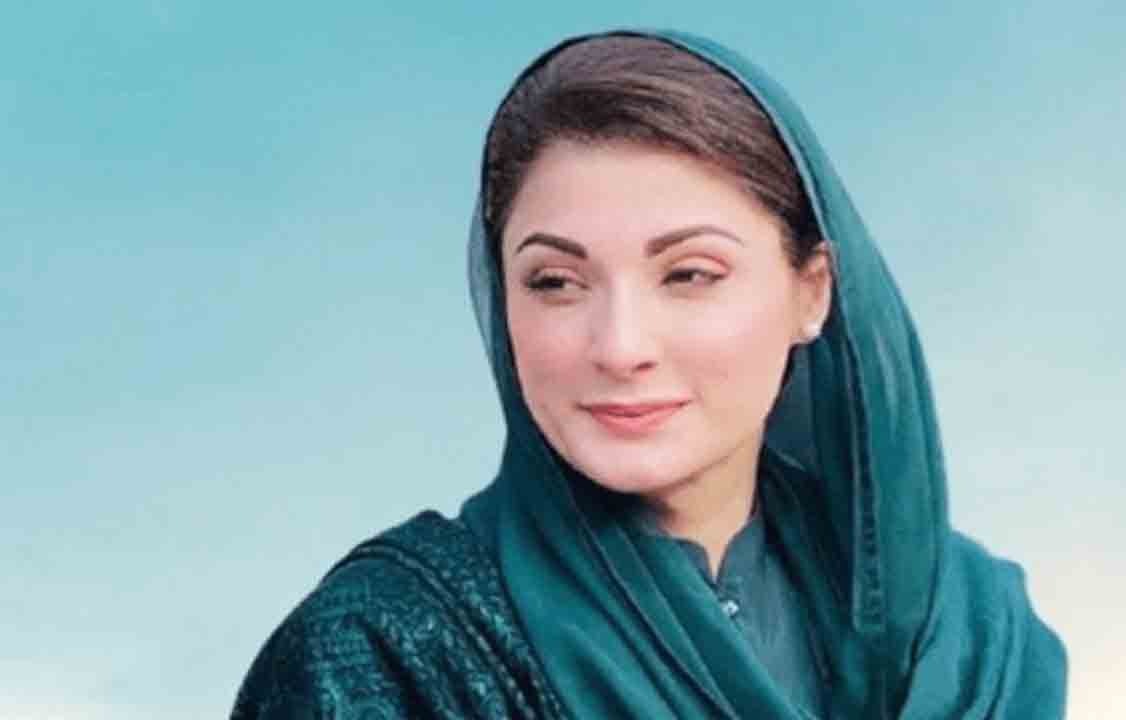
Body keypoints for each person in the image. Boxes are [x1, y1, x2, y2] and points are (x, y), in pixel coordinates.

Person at [232, 30, 1067, 719]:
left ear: (811, 292)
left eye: (689, 274)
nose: (620, 346)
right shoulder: (388, 652)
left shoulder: (977, 635)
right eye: (556, 283)